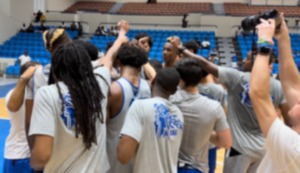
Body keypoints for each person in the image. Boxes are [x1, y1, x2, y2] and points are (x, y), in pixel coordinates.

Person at [170, 36, 289, 173]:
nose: (244, 60)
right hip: (263, 149)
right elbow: (287, 121)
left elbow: (204, 64)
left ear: (258, 61)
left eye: (248, 58)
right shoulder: (279, 87)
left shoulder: (238, 78)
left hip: (239, 149)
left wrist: (181, 49)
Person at [29, 20, 130, 172]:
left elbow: (41, 157)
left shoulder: (47, 92)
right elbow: (109, 58)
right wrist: (122, 34)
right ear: (86, 64)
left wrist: (34, 161)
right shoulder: (100, 82)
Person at [249, 14, 300, 172]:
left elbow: (258, 93)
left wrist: (264, 44)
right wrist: (283, 37)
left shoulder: (292, 145)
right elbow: (292, 85)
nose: (297, 99)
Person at [170, 58, 231, 173]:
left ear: (180, 80)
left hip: (169, 165)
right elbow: (226, 142)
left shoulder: (169, 101)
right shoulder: (214, 106)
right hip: (197, 167)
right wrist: (205, 131)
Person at [117, 68, 184, 173]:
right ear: (174, 91)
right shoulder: (178, 114)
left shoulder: (140, 106)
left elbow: (123, 156)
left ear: (152, 81)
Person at [107, 45, 151, 173]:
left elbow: (102, 125)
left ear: (119, 61)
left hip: (115, 155)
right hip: (139, 155)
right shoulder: (148, 87)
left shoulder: (114, 89)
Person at [3, 62, 39, 173]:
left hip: (35, 154)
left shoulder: (40, 94)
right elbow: (13, 107)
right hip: (20, 155)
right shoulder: (14, 95)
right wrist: (23, 79)